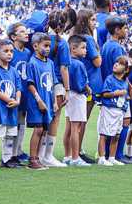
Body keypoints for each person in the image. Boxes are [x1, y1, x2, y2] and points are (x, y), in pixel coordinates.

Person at [69, 9, 101, 164]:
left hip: (79, 83)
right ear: (85, 21)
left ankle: (72, 153)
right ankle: (77, 152)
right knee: (81, 121)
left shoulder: (76, 36)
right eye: (93, 20)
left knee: (75, 121)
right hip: (88, 83)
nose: (95, 23)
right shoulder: (87, 38)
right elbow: (97, 62)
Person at [101, 16, 132, 163]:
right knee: (123, 122)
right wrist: (131, 88)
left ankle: (108, 155)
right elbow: (123, 70)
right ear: (117, 30)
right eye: (124, 28)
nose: (126, 31)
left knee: (109, 126)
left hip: (109, 86)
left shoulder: (106, 45)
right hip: (117, 89)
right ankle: (116, 155)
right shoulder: (117, 47)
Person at [41, 10, 70, 168]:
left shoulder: (41, 39)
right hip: (56, 83)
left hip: (42, 83)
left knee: (43, 120)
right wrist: (67, 90)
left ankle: (39, 154)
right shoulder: (62, 43)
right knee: (54, 120)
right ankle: (48, 155)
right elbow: (64, 68)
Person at [0, 39, 22, 168]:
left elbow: (18, 88)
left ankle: (6, 159)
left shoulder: (13, 70)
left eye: (11, 51)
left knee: (10, 135)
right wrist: (8, 100)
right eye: (6, 51)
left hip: (12, 109)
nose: (9, 54)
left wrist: (17, 101)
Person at [26, 33, 58, 170]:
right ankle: (32, 159)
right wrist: (39, 100)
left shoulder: (50, 63)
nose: (48, 48)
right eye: (45, 46)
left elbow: (53, 84)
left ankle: (38, 158)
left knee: (44, 130)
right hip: (36, 102)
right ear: (35, 46)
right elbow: (30, 84)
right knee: (38, 129)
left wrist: (55, 101)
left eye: (49, 46)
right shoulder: (32, 63)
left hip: (48, 101)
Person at [63, 35, 91, 167]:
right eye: (83, 48)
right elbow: (80, 84)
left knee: (69, 127)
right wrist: (87, 88)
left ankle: (67, 156)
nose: (86, 50)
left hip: (69, 95)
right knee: (76, 128)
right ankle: (75, 157)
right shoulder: (78, 64)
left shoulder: (67, 61)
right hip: (77, 96)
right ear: (73, 49)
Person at [97, 56, 130, 166]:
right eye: (116, 62)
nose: (116, 64)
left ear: (126, 70)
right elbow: (105, 94)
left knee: (116, 134)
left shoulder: (125, 82)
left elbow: (125, 96)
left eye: (120, 64)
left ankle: (112, 157)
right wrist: (116, 93)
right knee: (104, 134)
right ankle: (101, 157)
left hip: (120, 111)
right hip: (109, 109)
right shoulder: (109, 79)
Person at [7, 22, 31, 164]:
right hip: (12, 93)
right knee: (12, 123)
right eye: (22, 31)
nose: (26, 33)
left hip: (24, 92)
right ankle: (8, 154)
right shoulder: (10, 52)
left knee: (21, 122)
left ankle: (17, 151)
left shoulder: (28, 53)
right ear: (13, 36)